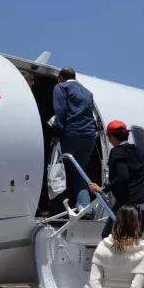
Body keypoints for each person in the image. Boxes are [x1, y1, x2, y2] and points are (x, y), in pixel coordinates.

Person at [88, 120, 144, 239]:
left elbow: (123, 177)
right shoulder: (138, 151)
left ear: (112, 136)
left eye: (108, 137)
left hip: (130, 205)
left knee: (108, 237)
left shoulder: (117, 152)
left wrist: (103, 189)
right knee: (133, 242)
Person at [51, 67, 97, 210]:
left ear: (61, 77)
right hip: (89, 137)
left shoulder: (61, 87)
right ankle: (84, 206)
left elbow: (60, 110)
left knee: (59, 170)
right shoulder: (88, 92)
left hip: (70, 135)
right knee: (80, 171)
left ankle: (58, 208)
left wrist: (56, 132)